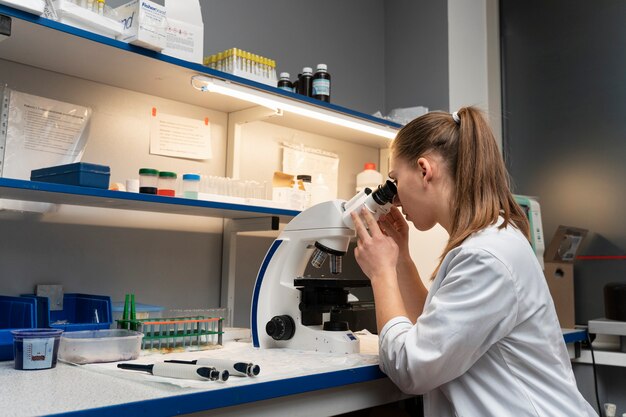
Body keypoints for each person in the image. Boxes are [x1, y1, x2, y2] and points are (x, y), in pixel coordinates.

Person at [350, 107, 597, 416]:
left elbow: (412, 369)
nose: (394, 199)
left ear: (424, 170)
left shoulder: (484, 257)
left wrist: (381, 273)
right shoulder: (490, 240)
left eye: (395, 181)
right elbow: (433, 334)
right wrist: (401, 261)